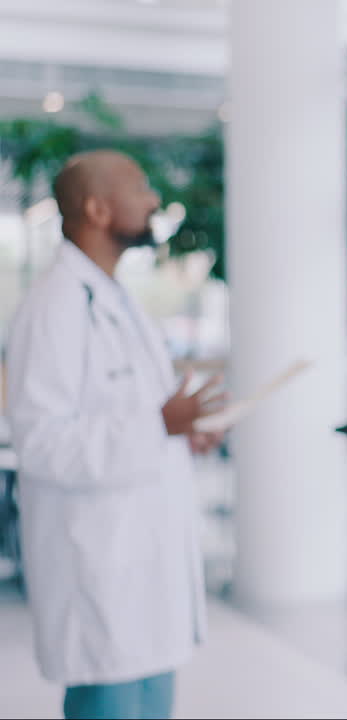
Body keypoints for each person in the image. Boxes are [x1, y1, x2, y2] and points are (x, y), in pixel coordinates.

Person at [3, 150, 225, 720]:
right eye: (141, 187)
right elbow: (42, 443)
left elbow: (138, 418)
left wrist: (181, 434)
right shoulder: (54, 307)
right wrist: (159, 425)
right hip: (100, 575)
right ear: (98, 209)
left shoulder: (118, 300)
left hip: (145, 573)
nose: (154, 200)